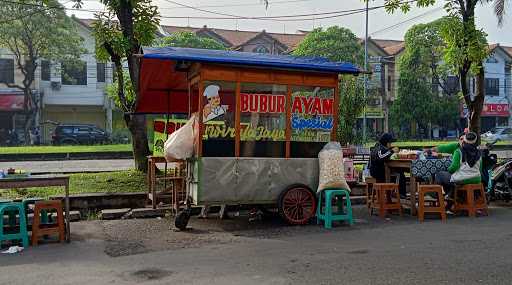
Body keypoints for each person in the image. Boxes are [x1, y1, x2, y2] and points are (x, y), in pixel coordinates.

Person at [433, 132, 482, 212]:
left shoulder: (458, 151)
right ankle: (450, 196)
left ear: (464, 140)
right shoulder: (479, 152)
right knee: (450, 180)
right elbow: (480, 168)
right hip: (476, 178)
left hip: (463, 179)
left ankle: (441, 200)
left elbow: (453, 168)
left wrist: (448, 171)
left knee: (440, 175)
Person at [369, 133, 407, 198]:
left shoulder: (379, 146)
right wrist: (392, 151)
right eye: (390, 143)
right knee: (399, 174)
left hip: (378, 171)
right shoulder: (380, 148)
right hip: (378, 172)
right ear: (386, 142)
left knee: (399, 172)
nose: (390, 145)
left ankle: (395, 194)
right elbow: (381, 157)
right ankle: (399, 194)